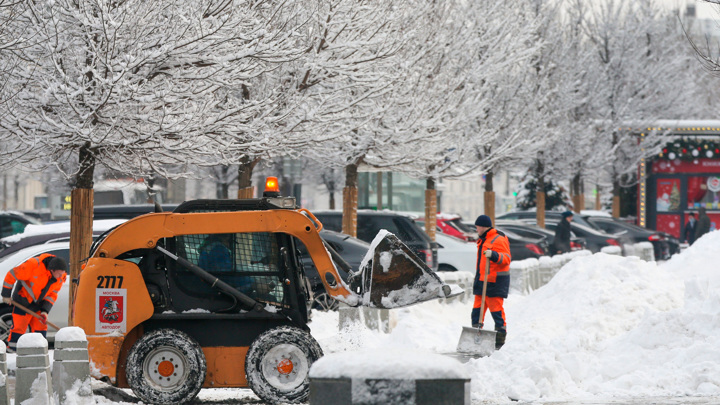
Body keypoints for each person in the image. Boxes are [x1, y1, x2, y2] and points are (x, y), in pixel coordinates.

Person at [1, 254, 67, 352]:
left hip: (39, 305)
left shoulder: (60, 277)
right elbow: (11, 274)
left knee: (40, 329)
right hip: (23, 301)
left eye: (63, 273)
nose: (61, 277)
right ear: (51, 270)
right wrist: (6, 295)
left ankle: (39, 354)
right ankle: (12, 353)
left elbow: (52, 295)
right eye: (59, 274)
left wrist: (45, 311)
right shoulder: (33, 266)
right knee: (18, 328)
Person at [472, 215, 511, 350]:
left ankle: (500, 341)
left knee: (496, 311)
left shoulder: (498, 239)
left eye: (477, 227)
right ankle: (475, 338)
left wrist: (494, 255)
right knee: (477, 312)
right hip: (482, 281)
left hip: (495, 282)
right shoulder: (484, 239)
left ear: (483, 227)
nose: (476, 229)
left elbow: (506, 258)